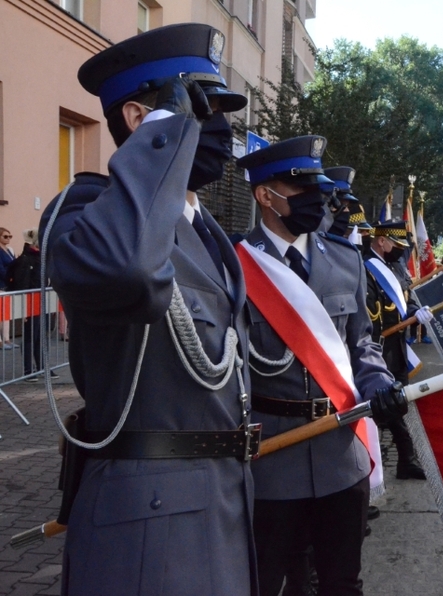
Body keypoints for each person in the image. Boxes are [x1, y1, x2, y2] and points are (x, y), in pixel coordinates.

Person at [39, 24, 259, 595]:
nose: (221, 128)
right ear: (140, 119)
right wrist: (165, 134)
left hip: (223, 501)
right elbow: (127, 268)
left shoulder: (208, 232)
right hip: (148, 523)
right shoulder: (84, 214)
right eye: (201, 107)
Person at [236, 137, 406, 596]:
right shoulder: (235, 266)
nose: (315, 199)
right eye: (299, 188)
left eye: (317, 186)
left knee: (341, 584)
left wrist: (378, 380)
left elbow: (361, 344)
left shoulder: (345, 260)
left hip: (338, 452)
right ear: (264, 196)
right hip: (272, 455)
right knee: (266, 582)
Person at [365, 221, 432, 480]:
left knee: (398, 402)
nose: (399, 250)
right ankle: (404, 457)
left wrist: (417, 312)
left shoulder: (396, 267)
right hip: (377, 348)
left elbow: (408, 297)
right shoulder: (366, 268)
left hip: (397, 349)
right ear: (382, 241)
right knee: (387, 402)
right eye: (396, 244)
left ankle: (402, 458)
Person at [6, 229, 57, 380]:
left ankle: (42, 367)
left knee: (40, 337)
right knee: (30, 338)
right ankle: (29, 370)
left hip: (41, 303)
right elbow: (23, 285)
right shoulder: (25, 261)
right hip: (30, 305)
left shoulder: (40, 259)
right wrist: (24, 310)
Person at [0, 227, 16, 348]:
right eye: (5, 236)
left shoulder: (9, 250)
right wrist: (9, 276)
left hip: (8, 285)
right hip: (1, 283)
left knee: (6, 314)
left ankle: (7, 339)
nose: (8, 239)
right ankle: (1, 341)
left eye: (9, 236)